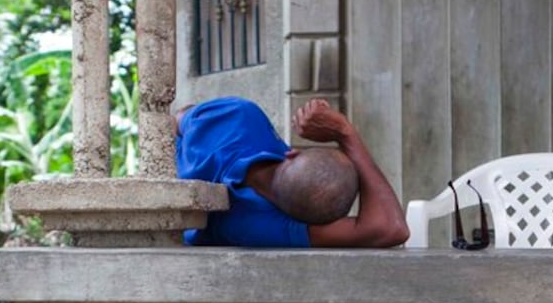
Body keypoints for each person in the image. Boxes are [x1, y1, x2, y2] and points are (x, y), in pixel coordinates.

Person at [175, 96, 409, 248]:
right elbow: (391, 228)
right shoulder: (268, 230)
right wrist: (347, 136)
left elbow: (179, 118)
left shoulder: (241, 116)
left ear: (293, 154)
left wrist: (343, 131)